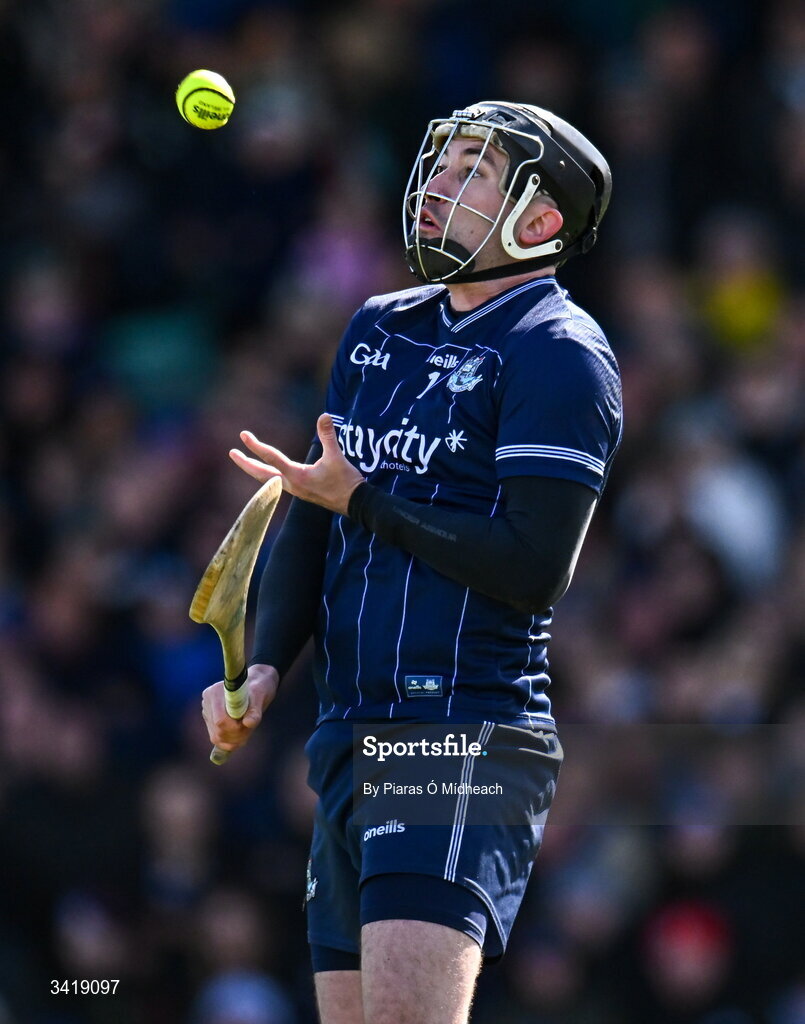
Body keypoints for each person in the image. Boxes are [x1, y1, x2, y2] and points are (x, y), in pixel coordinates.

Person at [202, 101, 622, 1024]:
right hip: (348, 733)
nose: (437, 184)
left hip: (457, 731)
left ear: (540, 218)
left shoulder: (557, 354)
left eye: (473, 170)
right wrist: (268, 664)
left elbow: (531, 566)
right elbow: (318, 513)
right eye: (442, 163)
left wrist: (366, 501)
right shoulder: (377, 328)